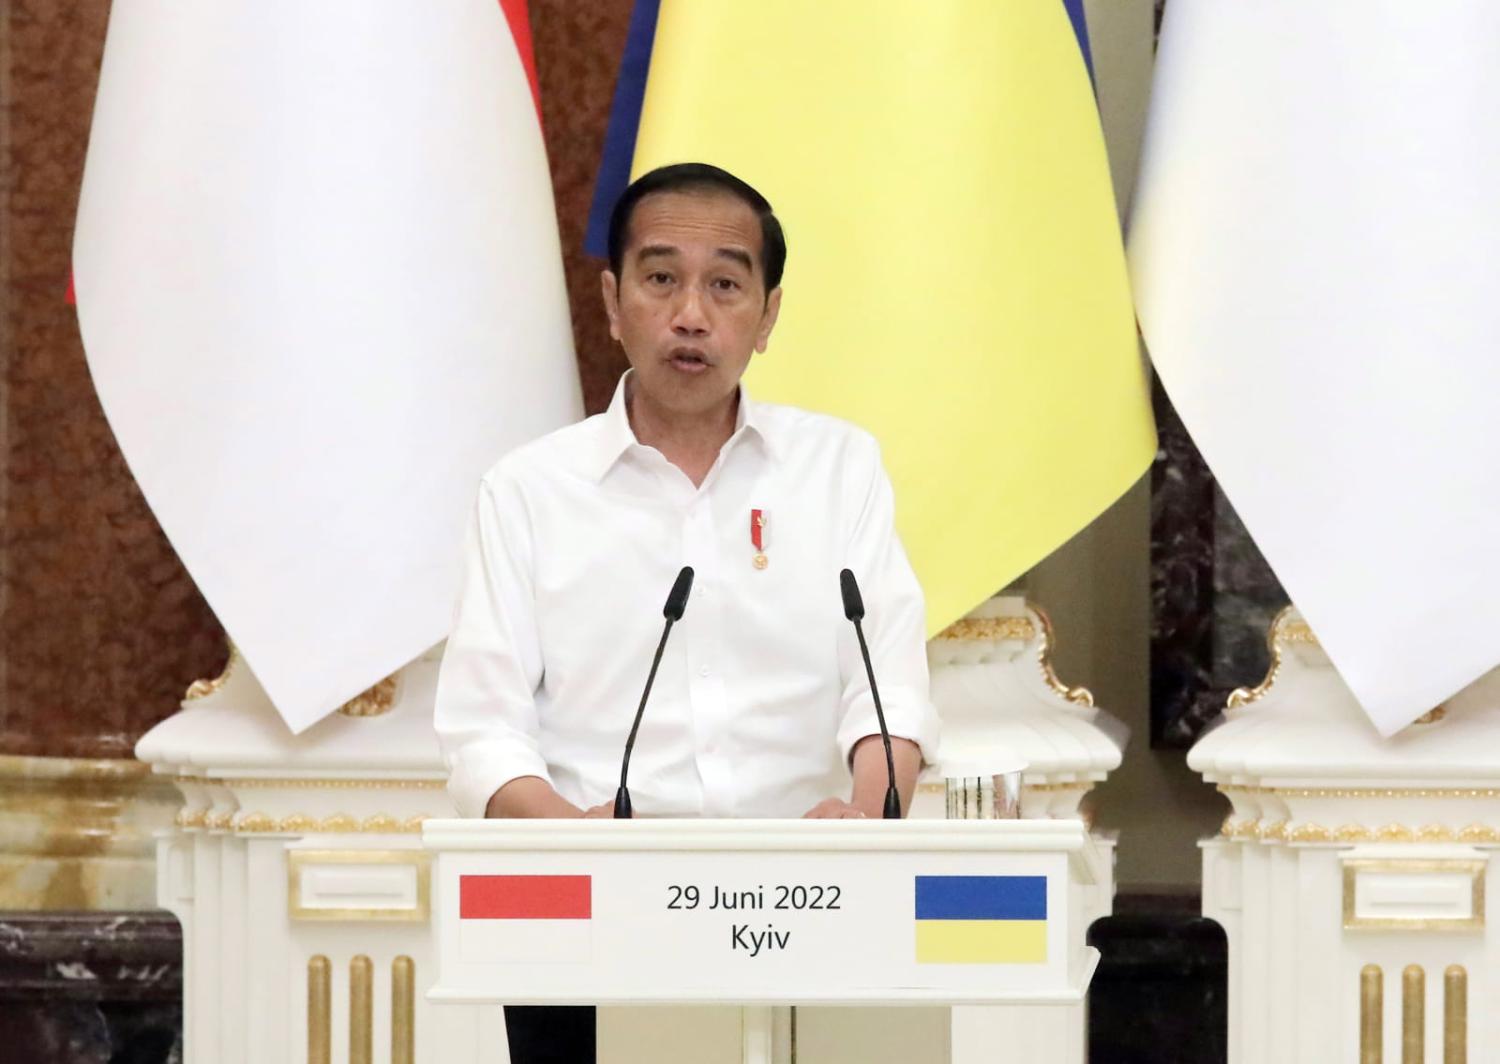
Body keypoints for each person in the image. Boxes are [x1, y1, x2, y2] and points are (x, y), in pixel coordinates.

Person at [433, 162, 939, 1064]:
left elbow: (887, 687)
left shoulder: (838, 471)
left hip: (803, 914)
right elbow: (482, 728)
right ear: (612, 300)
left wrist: (866, 818)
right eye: (661, 278)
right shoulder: (528, 491)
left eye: (726, 285)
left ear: (768, 314)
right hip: (589, 922)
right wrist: (569, 834)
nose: (691, 314)